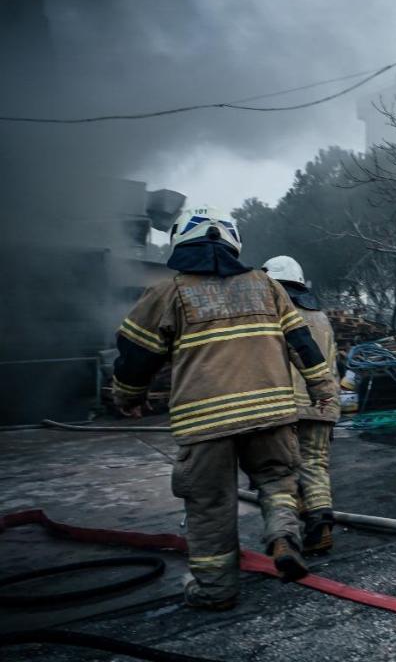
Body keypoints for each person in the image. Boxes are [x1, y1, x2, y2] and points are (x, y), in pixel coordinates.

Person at [111, 206, 338, 610]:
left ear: (182, 241)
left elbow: (134, 354)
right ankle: (284, 536)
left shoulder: (168, 292)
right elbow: (302, 342)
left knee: (210, 504)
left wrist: (128, 396)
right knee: (277, 481)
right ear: (232, 242)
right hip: (270, 411)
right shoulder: (267, 287)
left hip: (205, 422)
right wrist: (322, 386)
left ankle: (216, 590)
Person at [263, 256, 340, 555]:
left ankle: (287, 536)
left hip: (286, 404)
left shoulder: (274, 313)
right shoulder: (320, 315)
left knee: (283, 470)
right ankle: (320, 527)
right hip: (323, 403)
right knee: (315, 465)